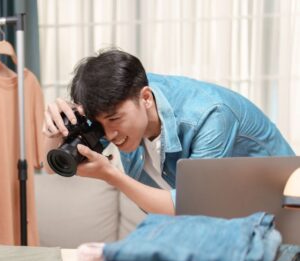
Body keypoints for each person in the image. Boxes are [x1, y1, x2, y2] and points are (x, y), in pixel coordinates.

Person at [42, 49, 295, 215]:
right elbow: (51, 168)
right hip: (222, 221)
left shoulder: (210, 115)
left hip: (279, 212)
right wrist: (55, 130)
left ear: (146, 99)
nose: (110, 135)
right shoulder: (125, 101)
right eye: (101, 124)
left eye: (115, 119)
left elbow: (191, 204)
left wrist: (111, 175)